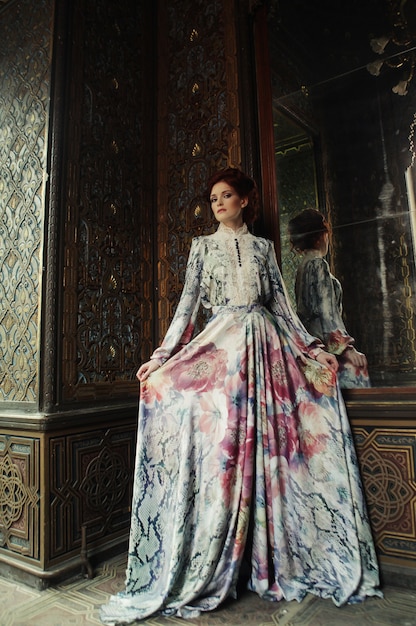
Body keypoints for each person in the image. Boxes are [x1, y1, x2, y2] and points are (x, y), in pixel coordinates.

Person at [100, 169, 381, 624]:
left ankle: (271, 557)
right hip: (220, 348)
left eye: (227, 195)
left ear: (245, 200)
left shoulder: (264, 250)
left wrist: (314, 350)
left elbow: (283, 308)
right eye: (213, 197)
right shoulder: (201, 248)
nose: (219, 203)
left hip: (264, 349)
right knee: (223, 450)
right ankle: (215, 553)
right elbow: (187, 307)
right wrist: (162, 356)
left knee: (271, 446)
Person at [288, 208, 371, 389]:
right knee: (357, 368)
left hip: (311, 341)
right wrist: (347, 349)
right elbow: (327, 313)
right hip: (324, 344)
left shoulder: (303, 266)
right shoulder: (318, 264)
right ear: (321, 236)